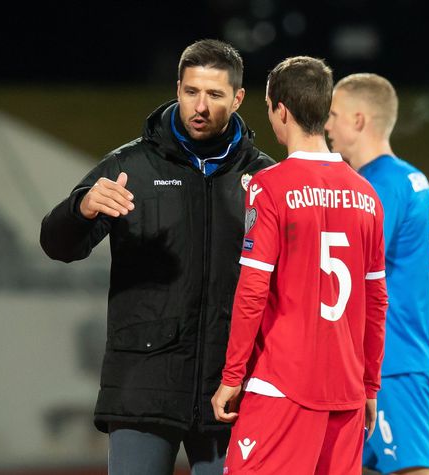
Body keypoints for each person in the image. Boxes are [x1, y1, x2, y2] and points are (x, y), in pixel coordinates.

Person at [40, 39, 274, 475]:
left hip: (229, 388)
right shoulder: (131, 165)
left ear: (239, 98)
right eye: (190, 92)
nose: (199, 106)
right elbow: (58, 245)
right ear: (178, 87)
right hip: (142, 383)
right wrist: (81, 208)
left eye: (215, 95)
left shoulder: (263, 177)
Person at [211, 56, 388, 474]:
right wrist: (369, 386)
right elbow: (377, 301)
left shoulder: (268, 186)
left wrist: (233, 375)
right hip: (345, 393)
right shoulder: (367, 195)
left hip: (282, 386)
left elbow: (253, 289)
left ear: (280, 110)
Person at [325, 73, 429, 475]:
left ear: (359, 120)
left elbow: (355, 274)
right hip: (397, 356)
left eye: (333, 115)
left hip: (386, 362)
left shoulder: (377, 186)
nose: (326, 126)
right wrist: (420, 350)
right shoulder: (412, 178)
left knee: (413, 470)